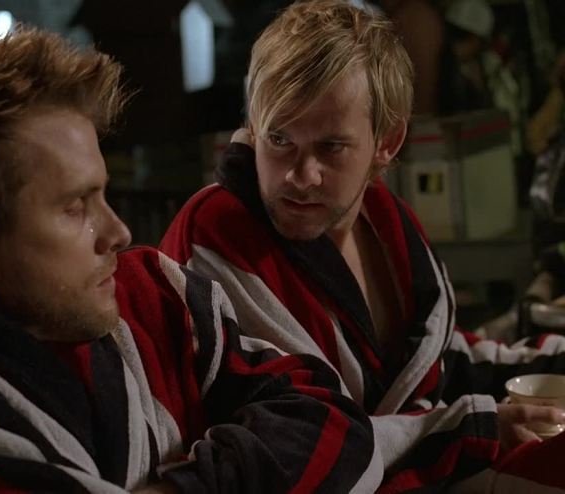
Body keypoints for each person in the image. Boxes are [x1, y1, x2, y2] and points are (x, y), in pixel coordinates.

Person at [0, 22, 381, 493]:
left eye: (103, 194)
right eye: (76, 207)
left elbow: (334, 424)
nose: (118, 232)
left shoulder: (155, 296)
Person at [160, 1, 565, 491]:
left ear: (387, 142)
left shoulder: (387, 219)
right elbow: (303, 443)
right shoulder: (216, 238)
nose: (300, 176)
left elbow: (432, 365)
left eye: (330, 147)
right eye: (279, 139)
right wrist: (465, 428)